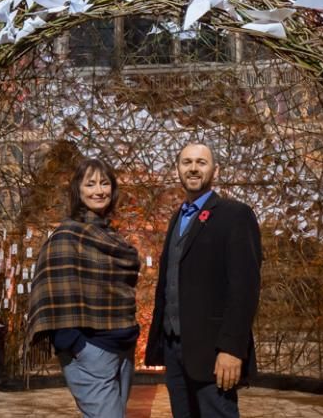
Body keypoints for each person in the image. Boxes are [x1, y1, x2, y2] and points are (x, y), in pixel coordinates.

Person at [145, 143, 262, 418]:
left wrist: (232, 349)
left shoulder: (235, 215)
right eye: (186, 162)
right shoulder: (178, 217)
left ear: (215, 170)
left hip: (213, 352)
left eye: (201, 162)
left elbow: (244, 288)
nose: (193, 168)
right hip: (175, 349)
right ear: (178, 170)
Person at [27, 158, 140, 418]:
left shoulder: (110, 235)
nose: (99, 191)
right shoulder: (67, 236)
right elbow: (50, 290)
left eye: (104, 183)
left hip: (123, 348)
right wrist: (76, 345)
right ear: (78, 191)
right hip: (91, 350)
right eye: (90, 184)